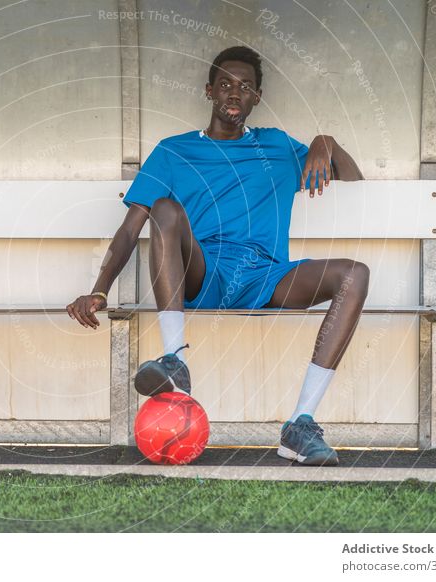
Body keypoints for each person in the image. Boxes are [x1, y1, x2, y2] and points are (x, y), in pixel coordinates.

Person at [66, 46, 367, 466]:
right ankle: (175, 361)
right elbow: (131, 229)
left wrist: (325, 142)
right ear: (210, 90)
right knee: (166, 209)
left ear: (256, 98)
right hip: (200, 274)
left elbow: (355, 182)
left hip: (266, 278)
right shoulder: (173, 152)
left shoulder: (278, 148)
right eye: (225, 83)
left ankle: (300, 425)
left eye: (245, 87)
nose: (233, 93)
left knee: (355, 274)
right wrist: (99, 290)